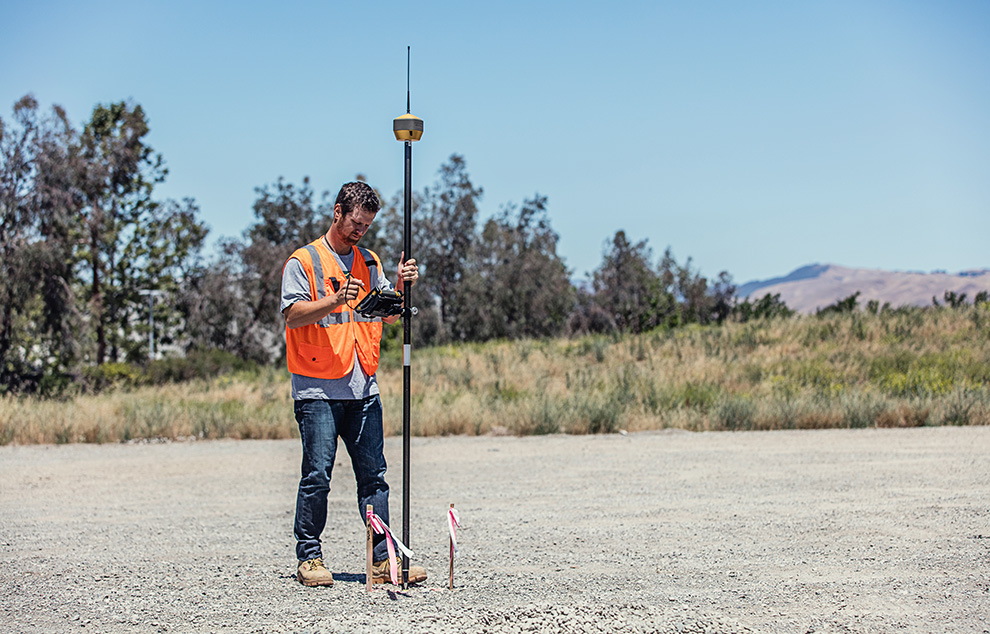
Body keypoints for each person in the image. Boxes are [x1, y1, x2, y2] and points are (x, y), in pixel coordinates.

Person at [280, 181, 426, 588]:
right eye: (354, 223)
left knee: (374, 477)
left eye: (366, 225)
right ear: (337, 212)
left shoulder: (369, 260)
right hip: (318, 390)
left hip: (363, 387)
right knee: (317, 476)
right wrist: (336, 299)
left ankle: (383, 560)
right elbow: (292, 316)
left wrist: (400, 286)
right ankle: (309, 557)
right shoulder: (304, 261)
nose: (359, 231)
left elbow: (388, 315)